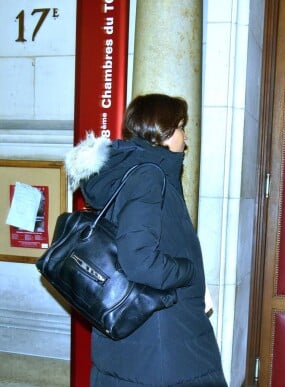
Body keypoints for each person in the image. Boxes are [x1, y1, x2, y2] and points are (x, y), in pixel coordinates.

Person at [64, 93, 227, 386]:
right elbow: (139, 260)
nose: (185, 135)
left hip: (148, 333)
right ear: (162, 132)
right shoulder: (149, 176)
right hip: (159, 340)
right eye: (179, 127)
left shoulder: (142, 171)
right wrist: (188, 272)